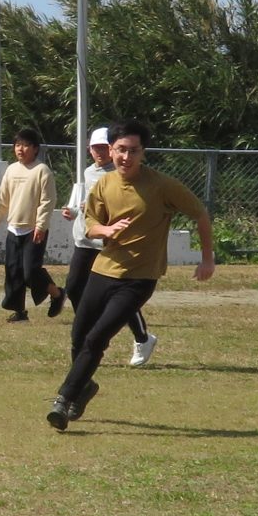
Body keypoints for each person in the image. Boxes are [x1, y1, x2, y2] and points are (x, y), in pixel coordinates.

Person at [47, 120, 215, 431]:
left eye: (133, 151)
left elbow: (200, 214)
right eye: (121, 150)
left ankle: (63, 399)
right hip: (102, 270)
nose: (126, 157)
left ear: (143, 153)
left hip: (139, 278)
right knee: (79, 336)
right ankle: (84, 387)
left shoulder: (162, 186)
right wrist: (106, 230)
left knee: (97, 337)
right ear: (111, 151)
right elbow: (90, 225)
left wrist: (207, 258)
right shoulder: (103, 185)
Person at [60, 125, 155, 365]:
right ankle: (89, 332)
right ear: (90, 149)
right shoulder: (88, 172)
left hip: (109, 244)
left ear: (111, 149)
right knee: (73, 287)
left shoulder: (123, 171)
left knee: (120, 297)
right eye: (95, 148)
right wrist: (74, 211)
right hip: (85, 239)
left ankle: (142, 338)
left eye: (104, 148)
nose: (100, 152)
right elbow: (84, 201)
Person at [0, 127, 60, 323]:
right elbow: (2, 200)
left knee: (30, 271)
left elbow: (47, 201)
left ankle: (57, 293)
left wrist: (41, 226)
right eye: (18, 145)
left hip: (33, 230)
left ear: (35, 149)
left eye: (25, 145)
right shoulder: (11, 170)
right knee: (13, 271)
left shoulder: (42, 171)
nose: (21, 149)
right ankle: (20, 312)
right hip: (13, 228)